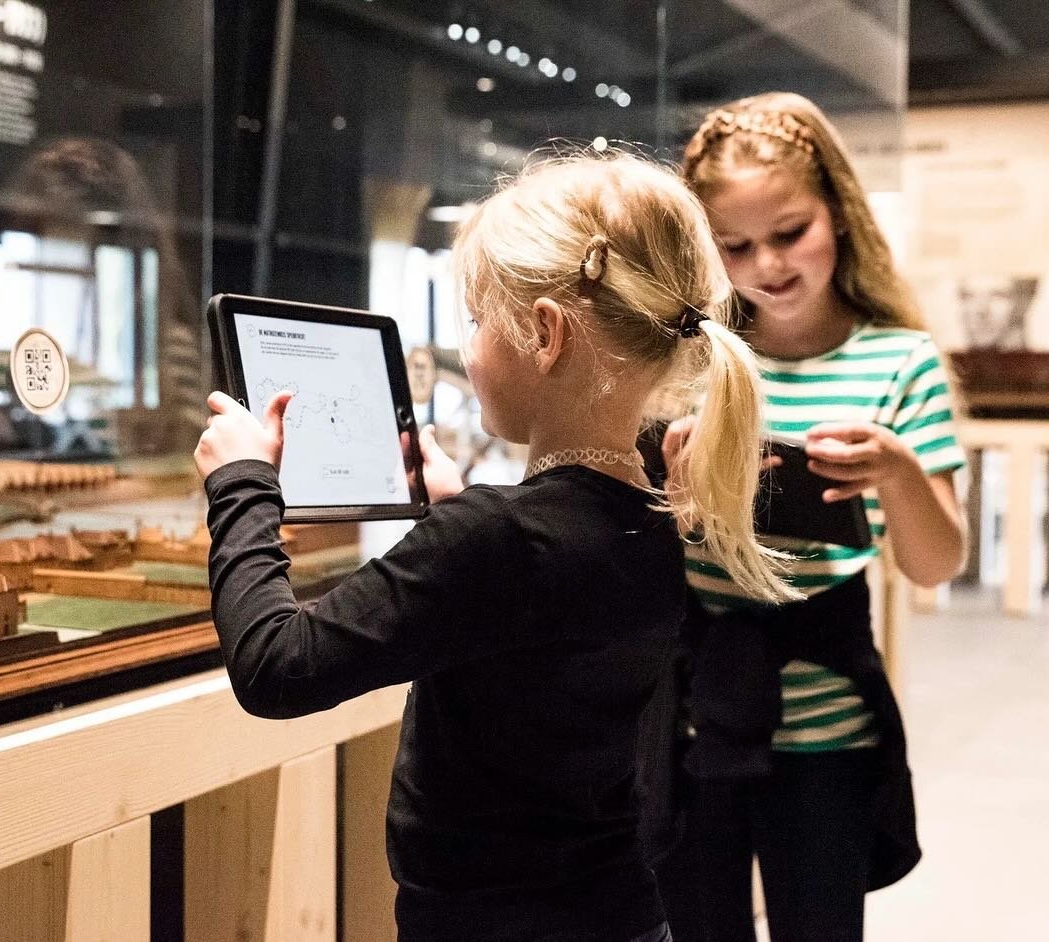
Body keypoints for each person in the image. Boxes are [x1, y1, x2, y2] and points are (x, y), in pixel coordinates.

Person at [193, 150, 795, 942]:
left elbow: (277, 666)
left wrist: (240, 483)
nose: (469, 349)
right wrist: (460, 507)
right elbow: (535, 594)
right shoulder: (647, 520)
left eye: (477, 322)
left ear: (545, 333)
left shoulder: (498, 539)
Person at [654, 92, 968, 942]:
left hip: (827, 731)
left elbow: (937, 562)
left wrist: (897, 470)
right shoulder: (693, 361)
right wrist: (675, 498)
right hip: (691, 718)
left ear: (839, 212)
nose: (768, 264)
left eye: (790, 233)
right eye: (737, 245)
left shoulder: (899, 361)